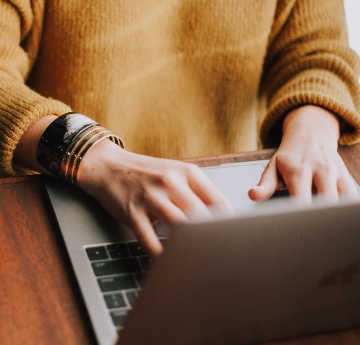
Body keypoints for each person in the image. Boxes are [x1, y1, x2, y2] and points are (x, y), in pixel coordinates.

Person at [1, 0, 360, 257]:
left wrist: (313, 127)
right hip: (68, 200)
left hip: (234, 203)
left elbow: (318, 49)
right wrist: (92, 155)